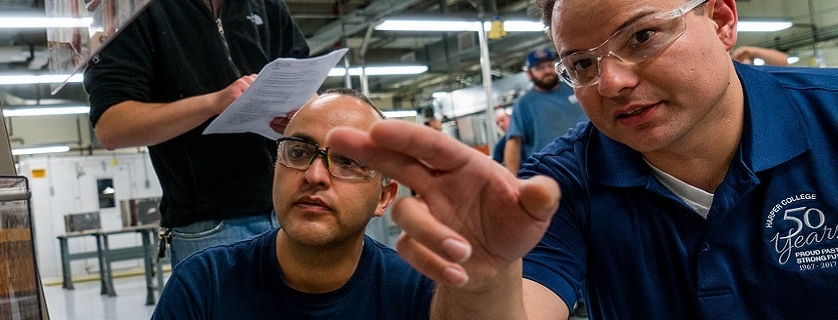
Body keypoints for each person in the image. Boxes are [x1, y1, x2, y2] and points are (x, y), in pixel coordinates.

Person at [325, 0, 838, 318]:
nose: (611, 82)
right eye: (582, 64)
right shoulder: (562, 184)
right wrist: (484, 282)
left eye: (642, 36)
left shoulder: (828, 117)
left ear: (722, 21)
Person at [151, 88, 435, 319]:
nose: (314, 175)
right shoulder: (204, 284)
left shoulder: (418, 291)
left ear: (384, 197)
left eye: (347, 161)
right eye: (298, 152)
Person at [83, 0, 309, 266]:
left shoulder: (267, 6)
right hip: (210, 228)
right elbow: (112, 127)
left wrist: (304, 114)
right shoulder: (137, 10)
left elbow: (307, 84)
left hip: (292, 210)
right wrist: (213, 104)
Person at [503, 48, 589, 174]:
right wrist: (512, 181)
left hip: (591, 161)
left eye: (549, 65)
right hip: (550, 171)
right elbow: (514, 142)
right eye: (539, 68)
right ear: (529, 74)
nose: (547, 71)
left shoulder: (575, 88)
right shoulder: (524, 104)